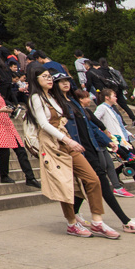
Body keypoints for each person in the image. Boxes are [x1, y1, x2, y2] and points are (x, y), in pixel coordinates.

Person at [25, 63, 119, 238]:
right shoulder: (36, 98)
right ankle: (71, 223)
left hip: (65, 141)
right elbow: (43, 124)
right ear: (36, 79)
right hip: (53, 145)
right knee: (65, 185)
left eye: (49, 76)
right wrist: (67, 139)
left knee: (92, 179)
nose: (49, 79)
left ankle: (97, 220)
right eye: (44, 76)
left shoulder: (52, 97)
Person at [60, 81, 135, 233]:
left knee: (91, 183)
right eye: (60, 81)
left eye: (67, 81)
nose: (65, 83)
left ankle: (75, 217)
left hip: (91, 149)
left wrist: (109, 141)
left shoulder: (76, 106)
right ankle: (123, 221)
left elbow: (92, 128)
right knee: (96, 182)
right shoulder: (61, 105)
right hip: (77, 151)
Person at [0, 71, 39, 188]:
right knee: (4, 151)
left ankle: (30, 177)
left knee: (20, 149)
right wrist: (1, 110)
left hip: (6, 123)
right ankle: (4, 175)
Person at [94, 89, 135, 194]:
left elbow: (119, 125)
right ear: (107, 97)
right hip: (116, 141)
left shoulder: (112, 109)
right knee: (132, 160)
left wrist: (128, 133)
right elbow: (95, 120)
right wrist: (106, 133)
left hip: (124, 139)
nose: (116, 97)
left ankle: (118, 173)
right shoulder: (102, 108)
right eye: (114, 95)